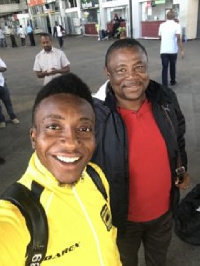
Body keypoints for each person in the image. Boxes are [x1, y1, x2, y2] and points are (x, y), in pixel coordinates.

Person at [0, 73, 121, 265]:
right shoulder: (18, 215)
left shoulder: (95, 176)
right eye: (54, 126)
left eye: (84, 128)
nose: (72, 143)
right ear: (34, 138)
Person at [92, 38, 190, 266]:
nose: (132, 77)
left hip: (164, 212)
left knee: (158, 259)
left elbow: (178, 136)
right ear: (107, 72)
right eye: (121, 70)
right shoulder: (95, 114)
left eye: (139, 67)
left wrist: (181, 166)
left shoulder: (165, 98)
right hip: (121, 220)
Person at [158, 9, 184, 87]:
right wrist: (182, 50)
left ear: (166, 17)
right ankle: (172, 81)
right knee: (172, 66)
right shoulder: (177, 25)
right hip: (173, 50)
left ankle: (164, 85)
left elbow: (159, 37)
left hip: (164, 50)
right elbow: (179, 39)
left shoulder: (162, 25)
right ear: (174, 17)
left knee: (164, 67)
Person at [0, 57, 20, 128]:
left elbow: (4, 68)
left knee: (7, 102)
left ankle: (13, 117)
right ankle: (1, 120)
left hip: (1, 84)